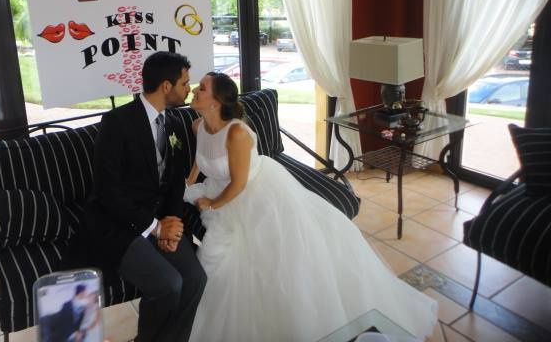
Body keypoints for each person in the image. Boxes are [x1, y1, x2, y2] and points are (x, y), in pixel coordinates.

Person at [184, 72, 438, 342]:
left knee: (276, 254)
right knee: (222, 260)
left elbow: (238, 183)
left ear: (216, 101)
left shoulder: (236, 133)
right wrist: (188, 184)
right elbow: (202, 157)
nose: (195, 91)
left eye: (202, 88)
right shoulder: (197, 125)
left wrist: (211, 204)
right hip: (219, 190)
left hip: (254, 191)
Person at [85, 51, 207, 342]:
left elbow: (177, 183)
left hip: (160, 220)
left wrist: (172, 221)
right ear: (166, 86)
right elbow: (107, 191)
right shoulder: (117, 122)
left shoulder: (175, 124)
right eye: (185, 83)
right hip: (119, 225)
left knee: (195, 279)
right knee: (169, 284)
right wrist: (155, 227)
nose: (189, 89)